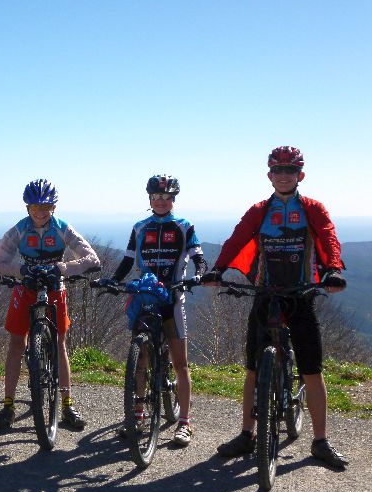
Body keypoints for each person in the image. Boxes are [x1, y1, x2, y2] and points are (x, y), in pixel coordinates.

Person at [202, 146, 349, 469]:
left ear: (300, 175)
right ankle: (247, 434)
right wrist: (218, 268)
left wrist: (333, 270)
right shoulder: (260, 210)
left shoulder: (312, 208)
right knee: (254, 368)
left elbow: (328, 237)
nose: (284, 175)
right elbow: (237, 238)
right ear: (269, 175)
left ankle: (320, 442)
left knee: (312, 369)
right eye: (278, 170)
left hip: (300, 294)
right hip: (265, 293)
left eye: (290, 170)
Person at [96, 174, 206, 446]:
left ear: (173, 199)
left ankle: (185, 422)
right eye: (156, 197)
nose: (160, 201)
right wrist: (114, 279)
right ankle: (138, 414)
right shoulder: (140, 228)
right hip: (145, 297)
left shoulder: (184, 226)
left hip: (172, 299)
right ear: (149, 198)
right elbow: (127, 260)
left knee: (180, 363)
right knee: (140, 358)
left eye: (166, 197)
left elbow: (198, 258)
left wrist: (199, 275)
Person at [0, 179, 101, 430]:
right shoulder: (19, 230)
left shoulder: (62, 228)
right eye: (35, 207)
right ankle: (8, 405)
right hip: (25, 288)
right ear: (27, 208)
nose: (40, 212)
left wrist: (62, 268)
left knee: (60, 344)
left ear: (54, 207)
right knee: (16, 344)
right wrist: (21, 270)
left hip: (54, 288)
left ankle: (67, 405)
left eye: (46, 207)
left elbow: (91, 258)